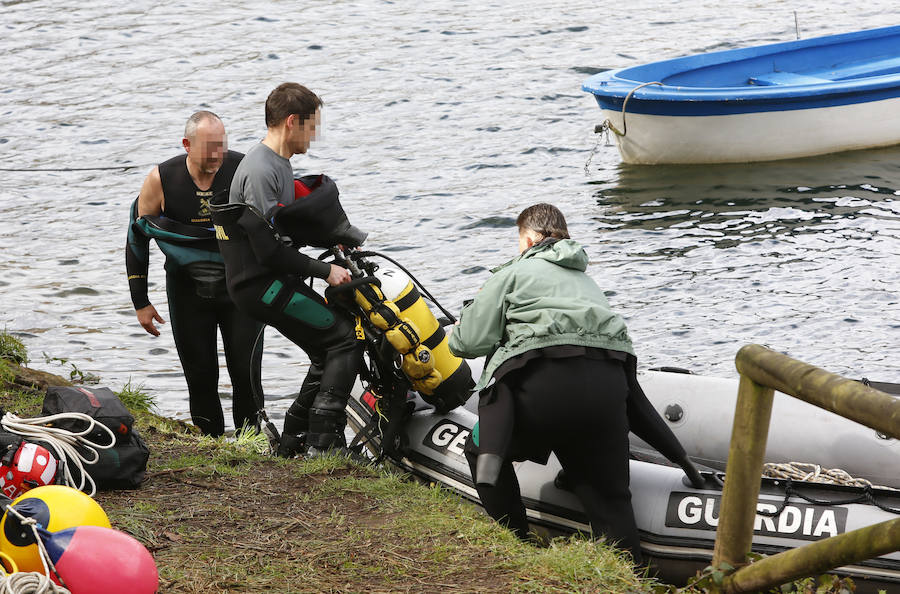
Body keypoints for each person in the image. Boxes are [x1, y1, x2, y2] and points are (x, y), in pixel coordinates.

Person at [448, 203, 643, 564]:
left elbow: (466, 343)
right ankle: (632, 572)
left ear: (528, 238)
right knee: (612, 501)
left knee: (481, 450)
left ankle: (517, 544)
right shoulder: (586, 278)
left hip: (545, 391)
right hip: (607, 388)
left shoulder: (514, 272)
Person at [212, 82, 361, 457]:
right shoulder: (261, 170)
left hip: (269, 280)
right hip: (261, 285)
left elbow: (285, 231)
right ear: (292, 122)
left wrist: (334, 244)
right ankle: (323, 447)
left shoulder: (278, 164)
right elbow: (268, 250)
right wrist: (325, 272)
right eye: (312, 126)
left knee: (324, 348)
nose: (315, 135)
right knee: (344, 339)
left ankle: (294, 439)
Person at [126, 111, 264, 437]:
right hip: (187, 292)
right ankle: (211, 447)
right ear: (187, 144)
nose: (218, 155)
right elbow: (136, 238)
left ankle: (253, 446)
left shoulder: (241, 171)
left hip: (240, 290)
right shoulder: (162, 179)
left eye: (222, 145)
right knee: (201, 378)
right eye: (209, 147)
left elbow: (270, 231)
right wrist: (140, 301)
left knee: (246, 377)